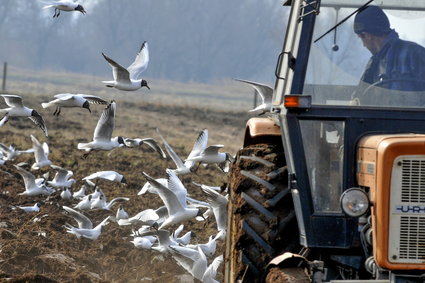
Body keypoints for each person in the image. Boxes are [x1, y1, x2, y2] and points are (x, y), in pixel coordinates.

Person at [353, 5, 425, 105]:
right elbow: (358, 101)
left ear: (367, 35)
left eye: (362, 38)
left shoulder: (414, 54)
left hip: (412, 120)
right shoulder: (372, 66)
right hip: (380, 120)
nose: (364, 45)